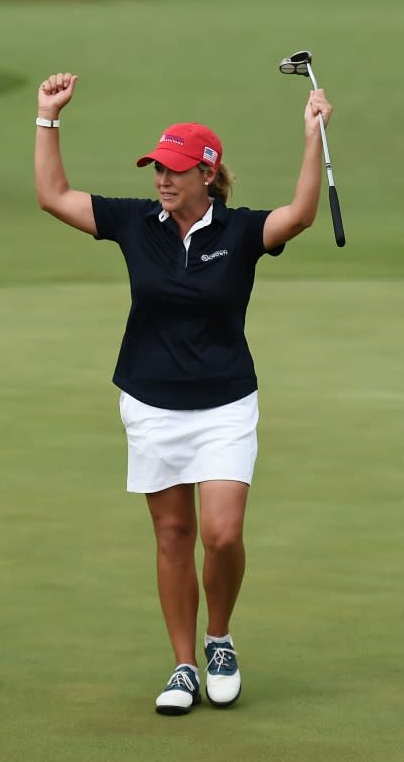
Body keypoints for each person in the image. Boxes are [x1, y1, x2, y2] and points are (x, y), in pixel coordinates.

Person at [34, 72, 333, 715]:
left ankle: (219, 639)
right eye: (156, 169)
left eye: (174, 170)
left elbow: (301, 215)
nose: (161, 180)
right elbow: (52, 195)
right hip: (150, 403)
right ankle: (183, 666)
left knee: (221, 535)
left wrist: (313, 137)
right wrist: (48, 117)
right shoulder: (136, 223)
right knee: (173, 534)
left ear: (207, 173)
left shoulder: (239, 232)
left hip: (225, 402)